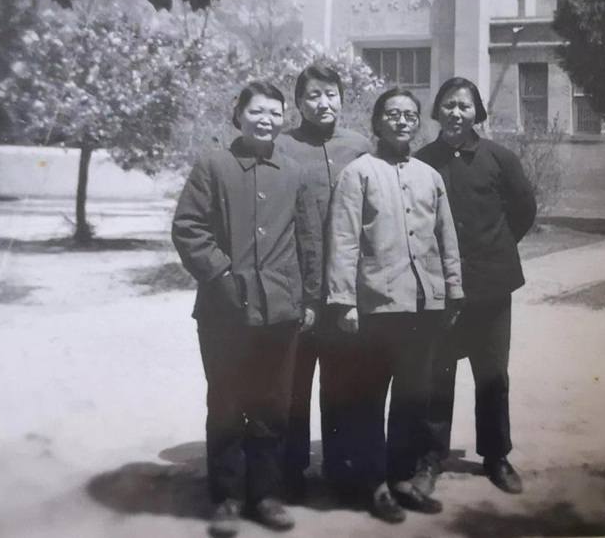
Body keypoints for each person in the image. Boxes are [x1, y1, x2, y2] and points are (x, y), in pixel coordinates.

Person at [171, 81, 323, 537]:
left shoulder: (295, 173)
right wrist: (221, 276)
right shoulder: (213, 166)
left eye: (275, 113)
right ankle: (227, 496)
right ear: (238, 114)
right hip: (224, 311)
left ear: (284, 118)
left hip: (281, 310)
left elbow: (309, 240)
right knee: (226, 401)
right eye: (257, 111)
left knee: (272, 404)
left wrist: (309, 297)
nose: (266, 120)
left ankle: (266, 494)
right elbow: (188, 227)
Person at [326, 87, 464, 523]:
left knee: (413, 398)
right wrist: (343, 300)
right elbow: (343, 240)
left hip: (423, 305)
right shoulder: (358, 173)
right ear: (377, 122)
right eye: (392, 114)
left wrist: (452, 291)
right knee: (369, 399)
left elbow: (446, 239)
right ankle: (374, 483)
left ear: (417, 123)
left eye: (409, 115)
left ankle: (403, 478)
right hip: (375, 305)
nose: (402, 121)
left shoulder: (430, 176)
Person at [415, 77, 536, 495]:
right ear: (437, 110)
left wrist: (494, 249)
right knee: (437, 374)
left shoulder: (500, 159)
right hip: (439, 291)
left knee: (492, 374)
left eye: (464, 106)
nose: (455, 113)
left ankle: (496, 456)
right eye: (448, 105)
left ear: (477, 113)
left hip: (491, 287)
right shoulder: (421, 162)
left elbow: (523, 211)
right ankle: (430, 458)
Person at [278, 64, 371, 503]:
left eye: (330, 94)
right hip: (298, 285)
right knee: (295, 382)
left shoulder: (359, 146)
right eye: (313, 95)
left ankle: (340, 465)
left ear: (341, 98)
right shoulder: (282, 146)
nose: (323, 103)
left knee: (341, 381)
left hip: (346, 286)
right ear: (298, 103)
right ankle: (291, 469)